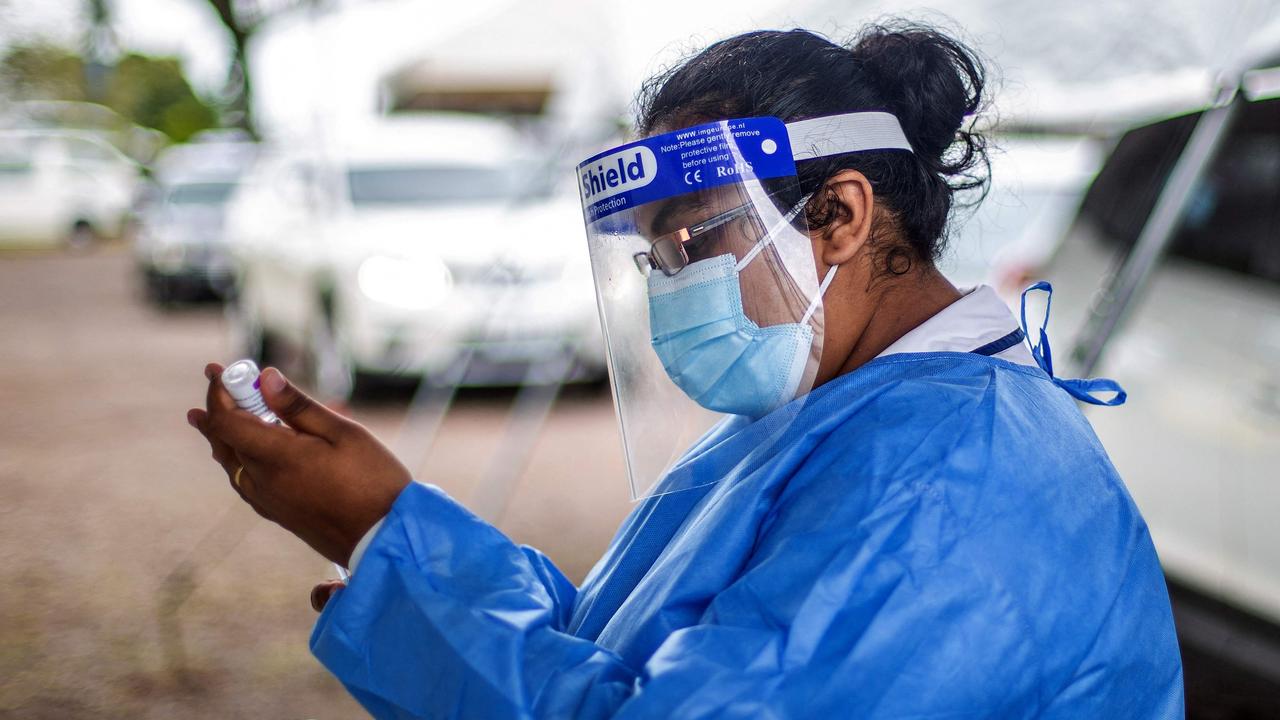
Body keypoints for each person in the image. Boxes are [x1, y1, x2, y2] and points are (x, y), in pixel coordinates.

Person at [189, 22, 1184, 719]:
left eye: (692, 243)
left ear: (836, 216)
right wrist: (394, 539)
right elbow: (637, 644)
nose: (671, 286)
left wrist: (381, 548)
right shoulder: (833, 413)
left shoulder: (942, 478)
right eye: (655, 259)